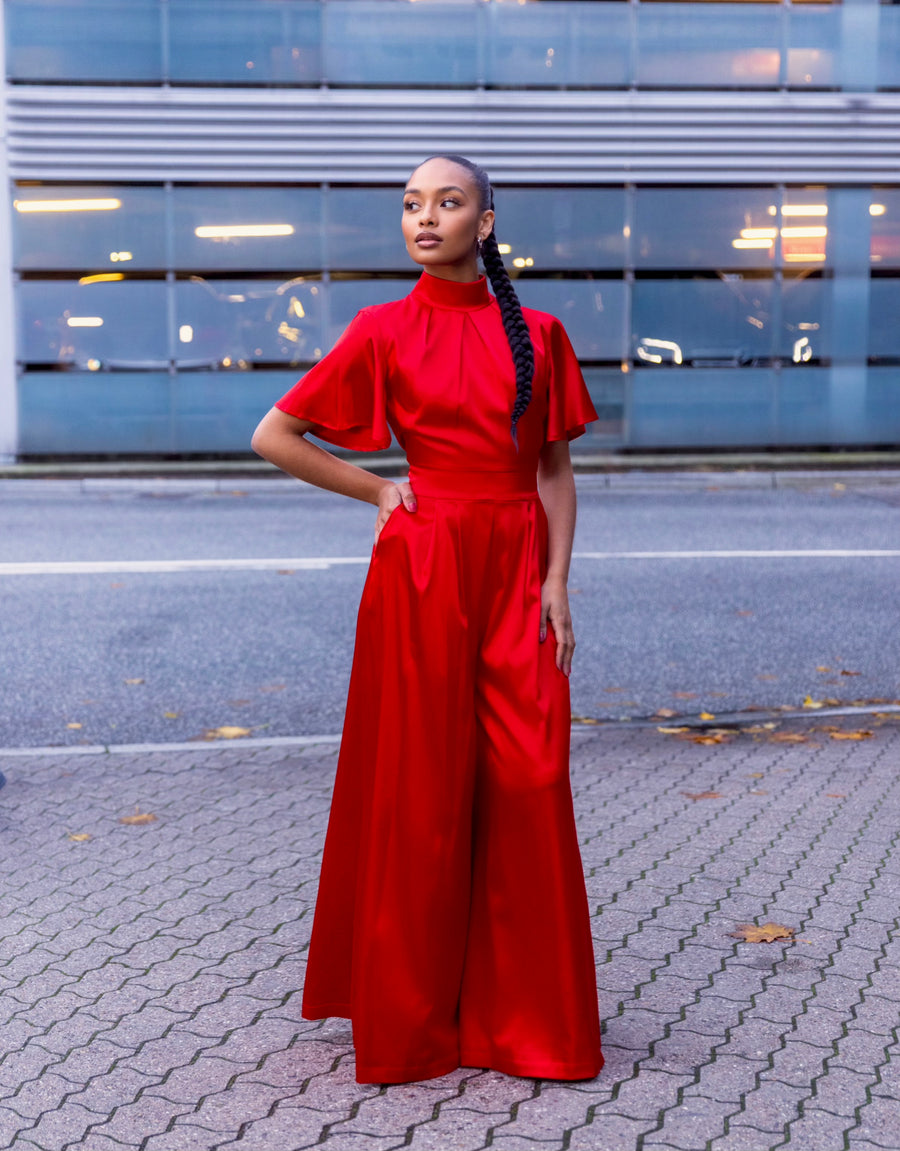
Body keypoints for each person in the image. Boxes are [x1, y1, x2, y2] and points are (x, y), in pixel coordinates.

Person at [251, 154, 603, 1086]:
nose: (425, 217)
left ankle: (526, 1022)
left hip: (516, 566)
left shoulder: (544, 332)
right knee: (422, 793)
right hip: (421, 569)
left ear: (485, 221)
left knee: (530, 777)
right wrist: (376, 490)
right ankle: (414, 1025)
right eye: (412, 203)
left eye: (448, 203)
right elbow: (274, 434)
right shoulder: (381, 328)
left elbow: (555, 470)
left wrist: (559, 576)